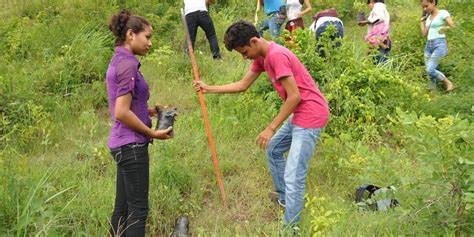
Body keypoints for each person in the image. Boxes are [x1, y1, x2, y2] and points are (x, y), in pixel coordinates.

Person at [194, 21, 329, 231]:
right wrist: (208, 88)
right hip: (300, 114)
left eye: (245, 51)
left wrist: (271, 127)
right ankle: (285, 199)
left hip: (311, 115)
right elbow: (242, 85)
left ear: (254, 41)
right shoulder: (263, 57)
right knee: (274, 150)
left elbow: (294, 96)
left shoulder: (276, 56)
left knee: (294, 175)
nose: (244, 56)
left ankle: (291, 229)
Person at [106, 9, 173, 236]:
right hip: (132, 146)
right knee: (138, 211)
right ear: (131, 35)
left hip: (121, 145)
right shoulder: (128, 65)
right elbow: (122, 112)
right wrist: (151, 133)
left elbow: (127, 104)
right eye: (147, 37)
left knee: (123, 209)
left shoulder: (119, 59)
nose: (150, 43)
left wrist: (151, 111)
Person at [420, 0, 454, 91]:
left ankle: (448, 83)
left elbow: (452, 26)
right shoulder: (428, 17)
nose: (425, 9)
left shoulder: (443, 13)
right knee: (429, 72)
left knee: (430, 69)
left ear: (433, 2)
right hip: (428, 45)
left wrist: (444, 28)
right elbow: (424, 34)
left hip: (439, 44)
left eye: (426, 6)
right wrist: (422, 22)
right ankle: (434, 94)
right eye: (423, 7)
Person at [358, 0, 391, 64]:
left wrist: (366, 22)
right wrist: (366, 22)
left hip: (379, 37)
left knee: (379, 61)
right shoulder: (382, 8)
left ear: (372, 1)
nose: (368, 6)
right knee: (381, 60)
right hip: (383, 38)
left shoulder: (378, 5)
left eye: (368, 3)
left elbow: (380, 18)